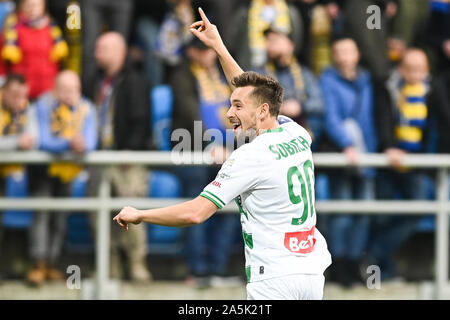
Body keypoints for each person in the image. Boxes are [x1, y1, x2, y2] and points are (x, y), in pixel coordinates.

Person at [114, 8, 331, 300]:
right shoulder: (297, 134)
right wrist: (218, 47)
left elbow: (194, 213)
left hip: (274, 279)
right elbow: (253, 95)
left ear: (262, 111)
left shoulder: (248, 157)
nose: (229, 114)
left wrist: (141, 213)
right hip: (311, 272)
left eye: (237, 108)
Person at [371, 48, 450, 280]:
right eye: (411, 69)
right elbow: (382, 118)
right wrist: (389, 147)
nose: (416, 74)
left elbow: (443, 122)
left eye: (421, 70)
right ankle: (381, 268)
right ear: (402, 68)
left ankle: (375, 253)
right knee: (382, 213)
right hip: (389, 160)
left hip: (419, 164)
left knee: (419, 208)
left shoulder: (434, 89)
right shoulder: (389, 86)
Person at [169, 36, 240, 288]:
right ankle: (197, 270)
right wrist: (211, 145)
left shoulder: (222, 76)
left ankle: (218, 269)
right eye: (203, 51)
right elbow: (190, 114)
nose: (209, 55)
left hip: (229, 154)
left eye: (211, 51)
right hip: (194, 152)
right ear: (191, 52)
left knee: (229, 209)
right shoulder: (182, 76)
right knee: (198, 208)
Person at [86, 31, 153, 283]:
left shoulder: (136, 80)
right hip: (98, 157)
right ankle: (108, 267)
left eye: (102, 49)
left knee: (132, 214)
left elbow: (141, 121)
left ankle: (137, 266)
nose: (96, 54)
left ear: (118, 51)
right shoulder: (95, 80)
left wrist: (129, 153)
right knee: (97, 216)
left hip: (128, 160)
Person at [27, 70, 97, 286]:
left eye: (74, 90)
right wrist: (68, 143)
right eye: (65, 90)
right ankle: (38, 264)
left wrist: (80, 145)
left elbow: (90, 142)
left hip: (69, 171)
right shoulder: (42, 105)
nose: (69, 95)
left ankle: (52, 263)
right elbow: (41, 141)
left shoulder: (87, 108)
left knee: (60, 219)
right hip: (42, 170)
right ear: (55, 90)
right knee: (41, 216)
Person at [319, 37, 377, 287]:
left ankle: (355, 262)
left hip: (367, 153)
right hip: (342, 155)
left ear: (357, 54)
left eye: (349, 51)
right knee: (341, 212)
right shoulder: (327, 80)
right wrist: (347, 144)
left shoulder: (366, 80)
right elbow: (330, 117)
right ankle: (339, 264)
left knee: (364, 211)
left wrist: (370, 151)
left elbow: (369, 119)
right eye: (339, 51)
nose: (344, 56)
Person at [0, 73, 38, 281]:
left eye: (23, 95)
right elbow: (20, 141)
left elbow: (33, 139)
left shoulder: (27, 108)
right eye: (14, 95)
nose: (19, 100)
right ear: (3, 91)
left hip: (18, 176)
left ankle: (16, 266)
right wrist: (15, 142)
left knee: (19, 222)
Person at [1, 0, 68, 100]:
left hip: (48, 91)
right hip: (21, 93)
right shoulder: (12, 29)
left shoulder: (52, 28)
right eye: (29, 5)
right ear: (21, 6)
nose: (32, 9)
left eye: (36, 5)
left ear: (43, 6)